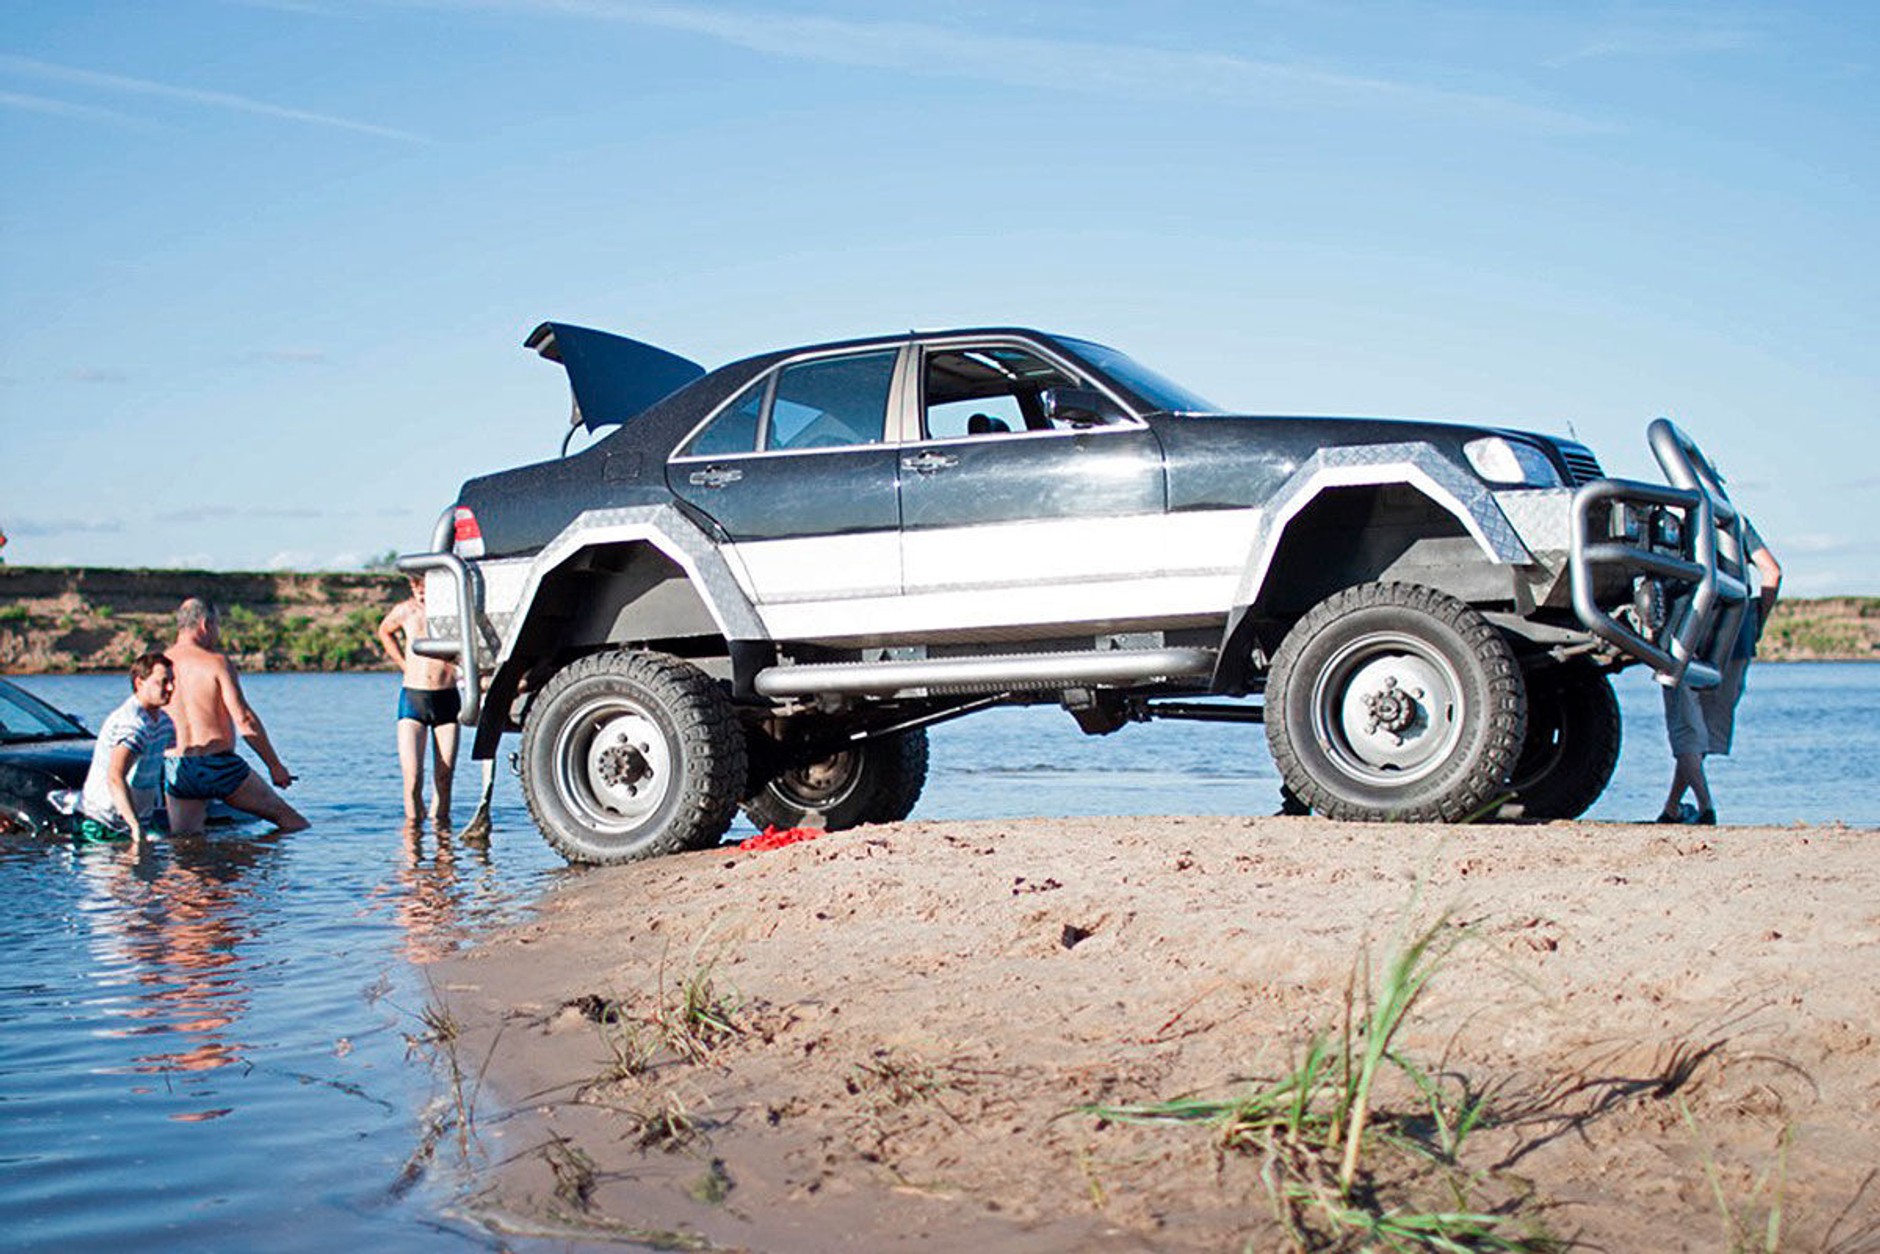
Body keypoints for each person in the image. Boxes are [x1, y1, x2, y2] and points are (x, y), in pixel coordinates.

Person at [1655, 523, 1781, 825]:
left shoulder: (1672, 515)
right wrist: (1756, 622)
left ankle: (1705, 807)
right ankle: (1673, 809)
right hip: (1738, 634)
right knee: (1704, 732)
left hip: (1686, 629)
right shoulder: (1736, 522)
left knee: (1686, 729)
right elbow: (1772, 572)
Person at [164, 597, 308, 834]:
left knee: (185, 844)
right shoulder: (215, 663)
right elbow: (244, 720)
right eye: (217, 626)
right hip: (218, 765)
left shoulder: (159, 666)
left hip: (177, 766)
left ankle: (217, 867)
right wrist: (274, 766)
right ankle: (250, 864)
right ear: (205, 624)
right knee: (293, 823)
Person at [376, 574, 460, 827]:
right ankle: (413, 843)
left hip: (446, 697)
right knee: (413, 777)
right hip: (413, 697)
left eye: (423, 587)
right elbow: (384, 631)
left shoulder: (452, 610)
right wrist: (402, 663)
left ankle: (442, 838)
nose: (420, 592)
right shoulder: (406, 611)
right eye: (415, 587)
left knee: (444, 778)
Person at [77, 651, 177, 847]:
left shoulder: (164, 722)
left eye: (173, 681)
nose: (171, 687)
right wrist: (135, 826)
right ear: (140, 683)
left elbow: (167, 767)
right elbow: (115, 776)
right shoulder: (132, 724)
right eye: (163, 682)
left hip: (141, 820)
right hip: (105, 824)